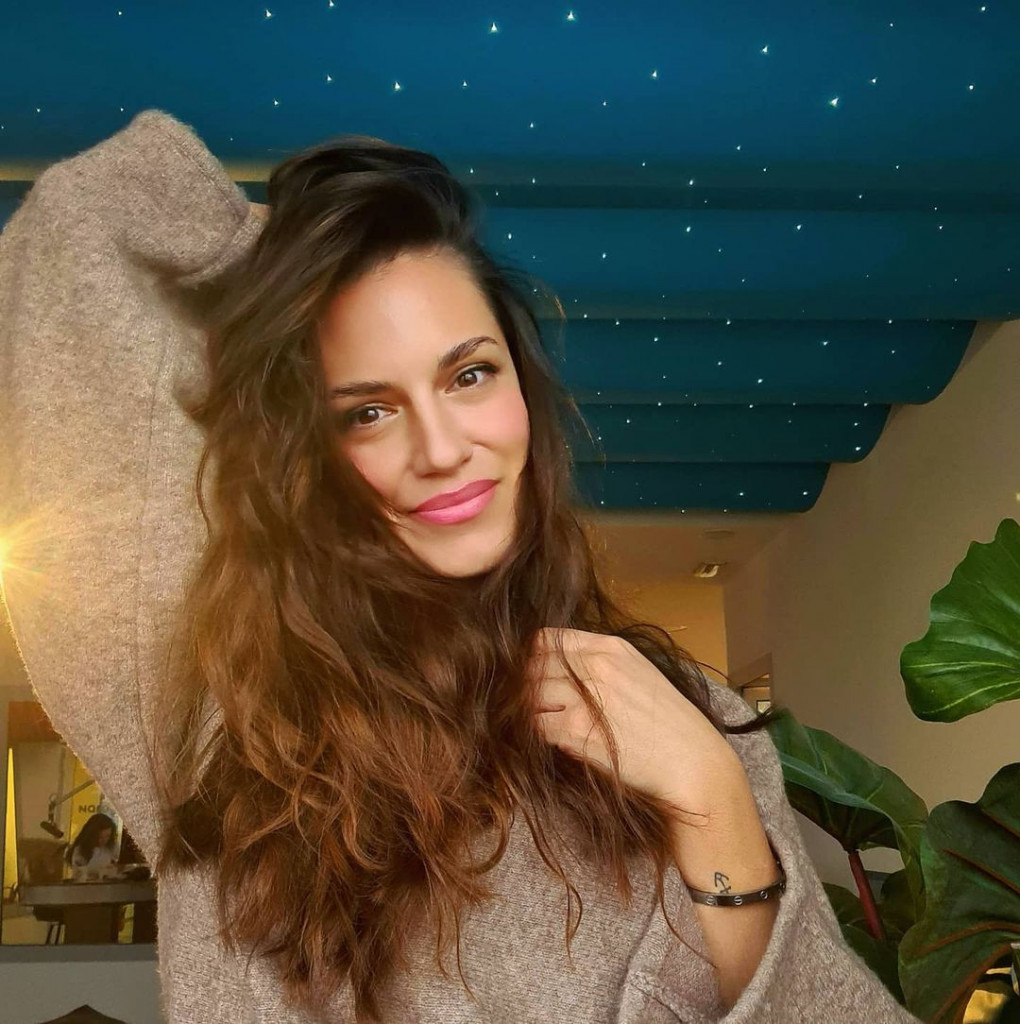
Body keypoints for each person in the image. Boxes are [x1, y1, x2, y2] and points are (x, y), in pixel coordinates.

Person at [0, 109, 922, 1023]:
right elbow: (80, 225)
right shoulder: (221, 716)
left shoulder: (687, 716)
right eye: (367, 411)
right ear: (304, 450)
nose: (441, 449)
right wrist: (278, 280)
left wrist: (714, 806)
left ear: (522, 381)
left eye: (468, 374)